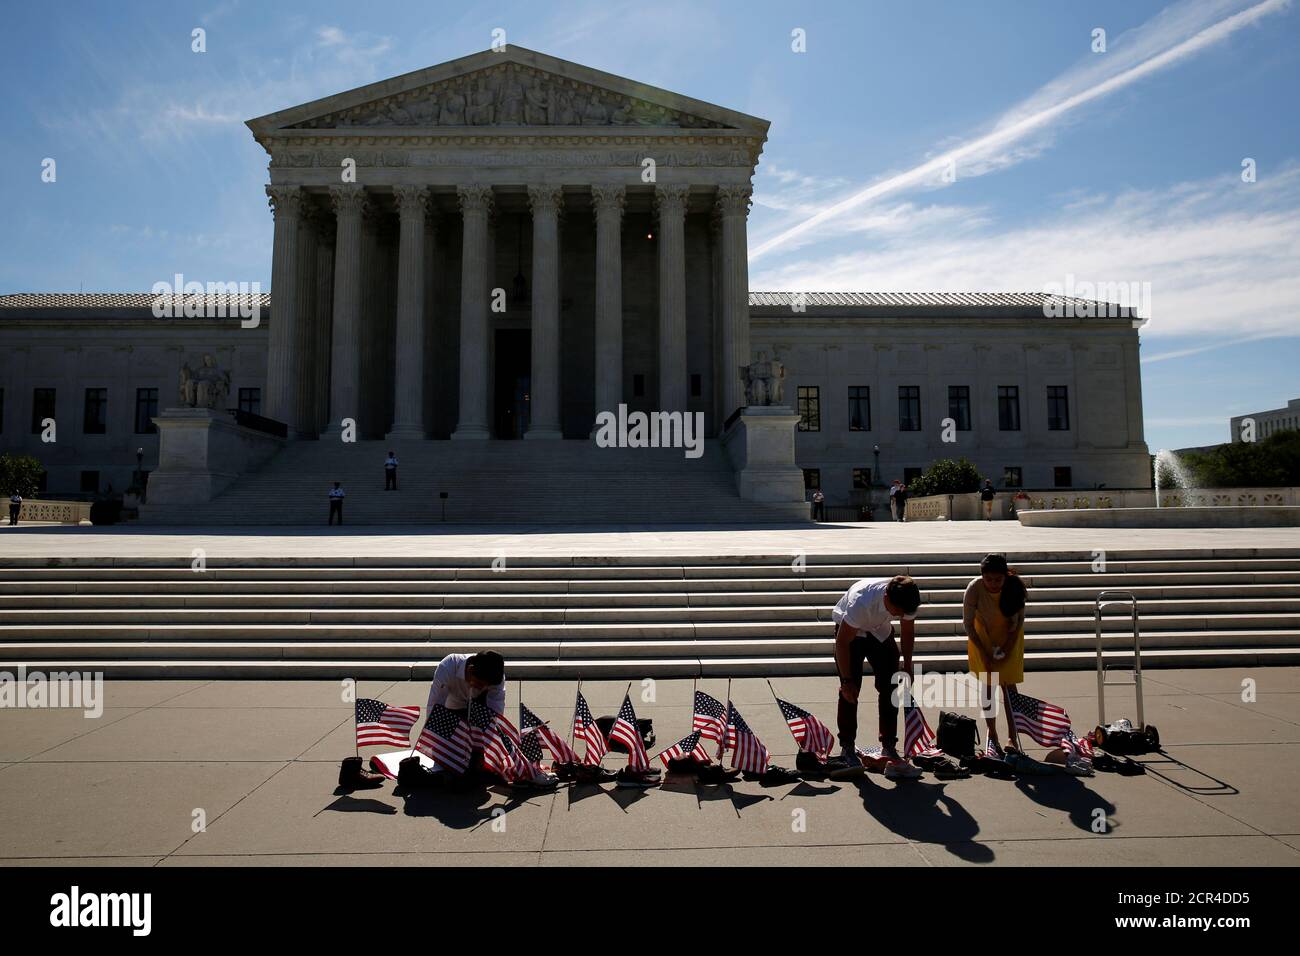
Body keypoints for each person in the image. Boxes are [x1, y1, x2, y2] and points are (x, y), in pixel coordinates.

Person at [830, 575, 924, 779]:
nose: (900, 615)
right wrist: (846, 680)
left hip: (879, 631)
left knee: (891, 685)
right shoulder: (861, 602)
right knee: (850, 690)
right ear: (886, 597)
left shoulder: (907, 600)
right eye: (897, 611)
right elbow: (842, 643)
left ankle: (888, 745)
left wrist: (907, 665)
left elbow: (907, 632)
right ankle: (847, 747)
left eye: (902, 612)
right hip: (850, 635)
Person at [424, 651, 554, 786]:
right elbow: (434, 706)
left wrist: (487, 751)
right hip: (450, 711)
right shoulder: (449, 666)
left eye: (486, 685)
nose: (483, 687)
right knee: (449, 761)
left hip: (478, 710)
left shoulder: (495, 677)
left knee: (478, 764)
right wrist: (434, 744)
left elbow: (495, 716)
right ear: (470, 670)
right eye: (479, 683)